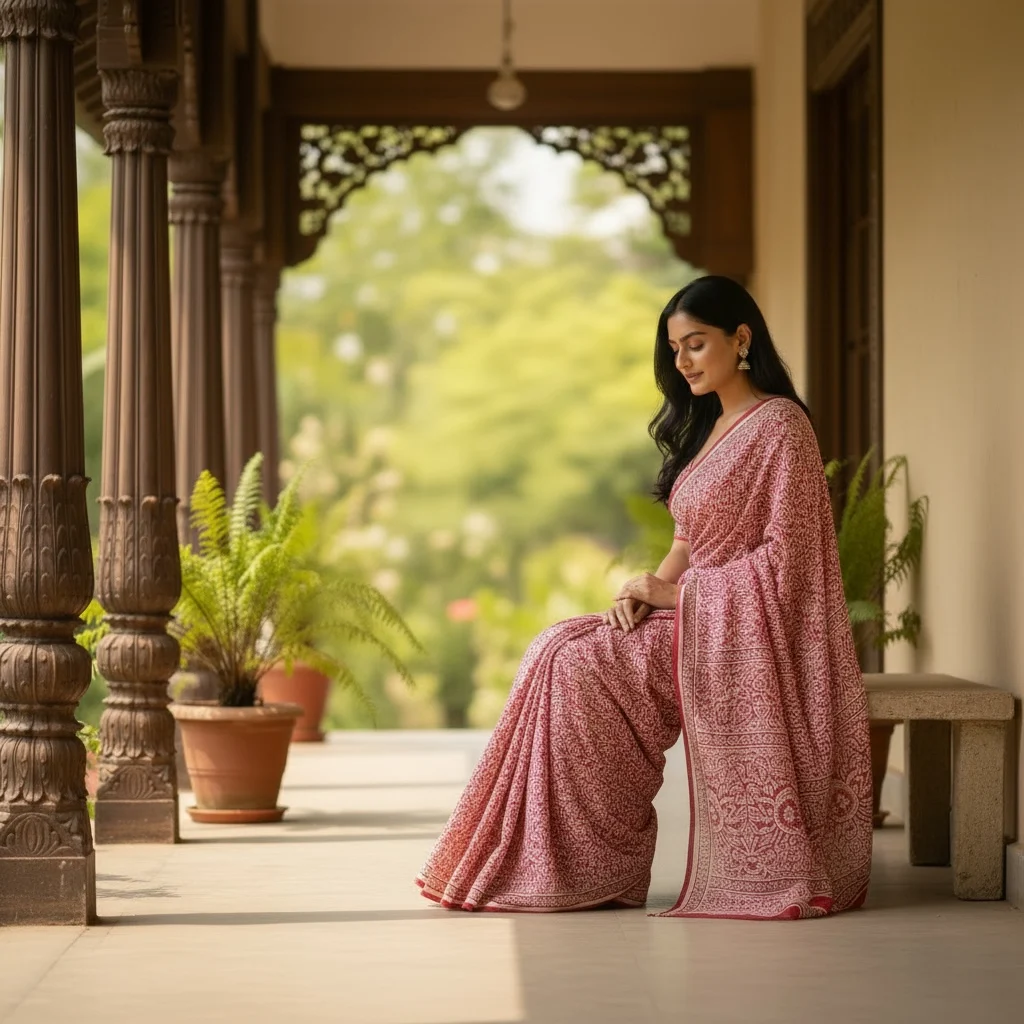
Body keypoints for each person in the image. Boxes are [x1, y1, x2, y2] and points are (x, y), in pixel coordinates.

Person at [415, 276, 872, 919]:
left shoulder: (781, 427)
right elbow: (690, 538)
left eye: (696, 344)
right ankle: (575, 862)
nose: (683, 362)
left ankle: (593, 863)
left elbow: (788, 561)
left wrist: (680, 598)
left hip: (735, 634)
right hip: (696, 614)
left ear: (741, 339)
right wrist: (647, 589)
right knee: (556, 648)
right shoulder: (712, 424)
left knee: (579, 668)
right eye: (675, 350)